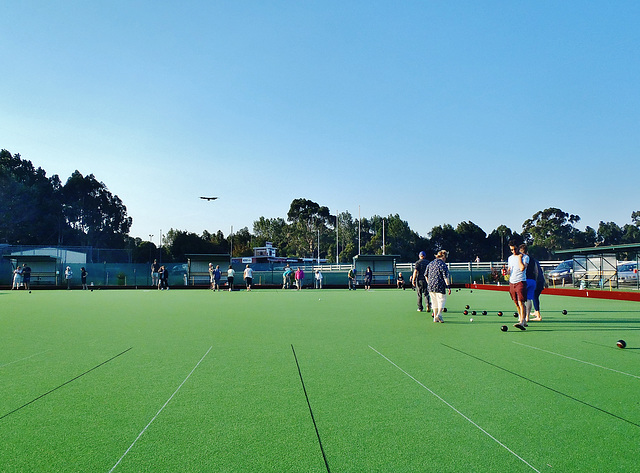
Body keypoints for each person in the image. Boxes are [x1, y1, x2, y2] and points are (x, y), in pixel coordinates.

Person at [508, 240, 529, 330]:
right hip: (512, 282)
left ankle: (522, 321)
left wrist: (519, 258)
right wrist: (506, 272)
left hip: (520, 281)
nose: (514, 251)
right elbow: (510, 269)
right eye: (512, 250)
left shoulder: (525, 257)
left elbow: (522, 268)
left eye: (515, 249)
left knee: (521, 302)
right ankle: (521, 318)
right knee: (516, 302)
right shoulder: (510, 258)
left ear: (518, 248)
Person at [426, 250, 452, 323]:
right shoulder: (443, 265)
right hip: (440, 285)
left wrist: (429, 283)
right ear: (443, 257)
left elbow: (426, 275)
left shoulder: (430, 264)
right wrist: (448, 287)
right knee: (441, 300)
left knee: (434, 301)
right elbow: (446, 277)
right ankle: (439, 314)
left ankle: (435, 317)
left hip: (431, 286)